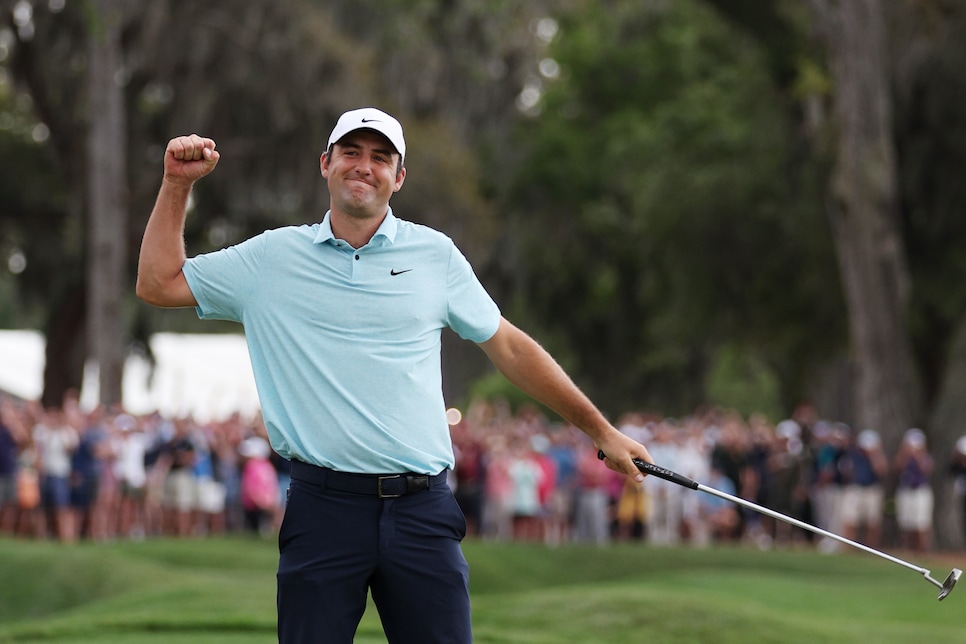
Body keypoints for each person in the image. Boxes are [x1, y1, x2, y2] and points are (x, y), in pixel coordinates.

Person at [136, 107, 652, 642]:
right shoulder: (271, 258)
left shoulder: (435, 255)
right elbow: (157, 283)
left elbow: (512, 349)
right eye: (351, 153)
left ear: (398, 177)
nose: (365, 166)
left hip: (422, 510)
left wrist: (602, 431)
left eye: (380, 158)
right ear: (326, 164)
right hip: (323, 509)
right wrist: (177, 185)